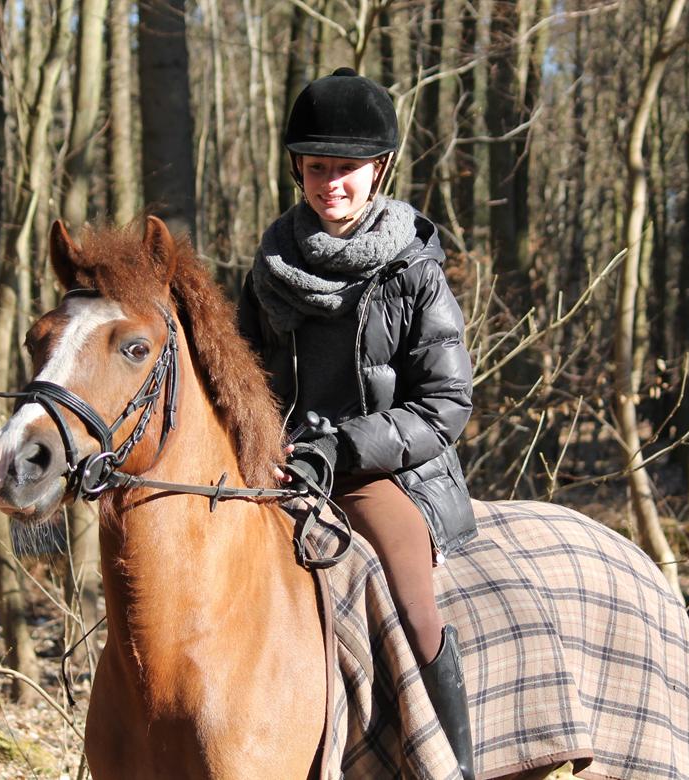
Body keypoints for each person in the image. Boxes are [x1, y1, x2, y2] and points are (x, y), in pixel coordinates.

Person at [237, 68, 477, 778]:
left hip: (384, 472)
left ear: (379, 171)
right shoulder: (269, 267)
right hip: (280, 463)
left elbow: (445, 404)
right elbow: (243, 377)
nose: (331, 184)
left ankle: (452, 762)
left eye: (347, 170)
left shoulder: (414, 272)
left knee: (410, 598)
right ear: (297, 170)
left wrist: (338, 448)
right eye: (317, 169)